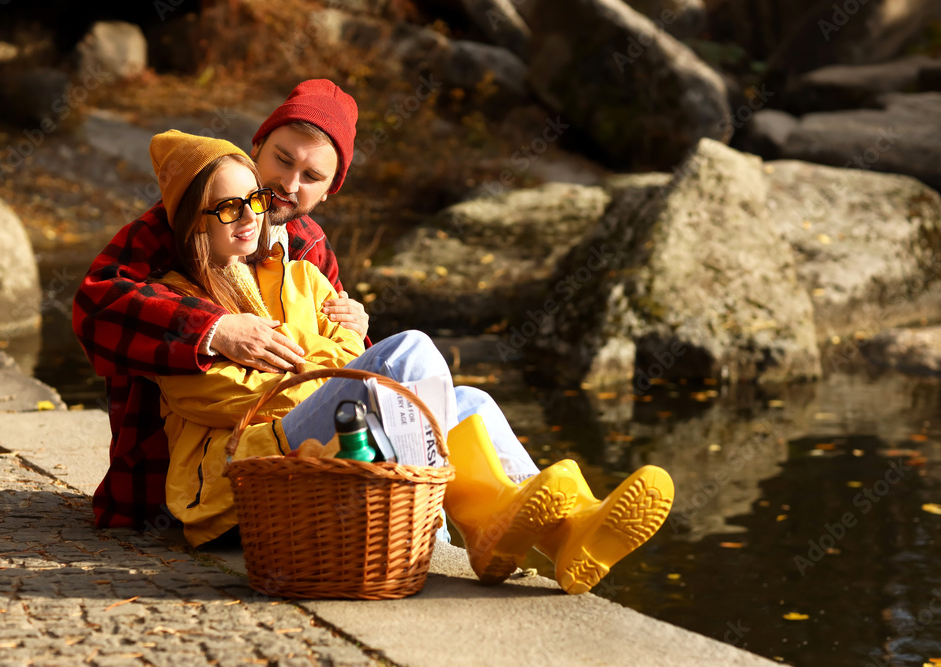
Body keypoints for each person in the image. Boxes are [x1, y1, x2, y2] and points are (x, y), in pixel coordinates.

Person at [145, 129, 675, 595]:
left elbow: (350, 358)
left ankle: (569, 531)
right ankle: (462, 525)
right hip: (238, 482)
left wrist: (298, 361)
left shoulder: (302, 278)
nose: (248, 218)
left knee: (471, 402)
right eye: (227, 208)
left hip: (310, 454)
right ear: (194, 218)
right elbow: (224, 397)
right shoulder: (180, 306)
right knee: (410, 351)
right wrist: (324, 367)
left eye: (254, 203)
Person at [72, 80, 370, 531]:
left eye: (311, 178)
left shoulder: (309, 246)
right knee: (402, 367)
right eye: (282, 160)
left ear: (329, 191)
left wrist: (358, 325)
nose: (289, 185)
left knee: (429, 394)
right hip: (164, 477)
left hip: (290, 455)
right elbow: (96, 304)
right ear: (256, 148)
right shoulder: (185, 216)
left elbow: (349, 357)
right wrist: (215, 329)